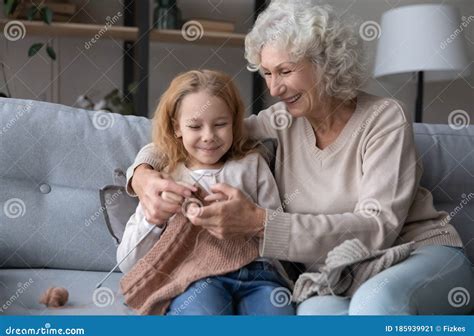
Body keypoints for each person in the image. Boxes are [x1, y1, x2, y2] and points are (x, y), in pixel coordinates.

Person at [125, 1, 474, 315]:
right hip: (340, 271)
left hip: (416, 254)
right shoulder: (282, 120)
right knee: (311, 317)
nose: (274, 89)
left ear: (326, 63)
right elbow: (198, 136)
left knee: (376, 304)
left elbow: (377, 228)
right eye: (266, 73)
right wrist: (142, 175)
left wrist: (259, 223)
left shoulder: (384, 119)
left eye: (285, 71)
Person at [117, 69, 295, 316]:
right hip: (196, 277)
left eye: (221, 124)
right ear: (176, 127)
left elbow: (279, 237)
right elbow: (128, 262)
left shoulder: (252, 165)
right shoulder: (166, 178)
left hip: (259, 277)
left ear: (234, 121)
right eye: (195, 126)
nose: (209, 136)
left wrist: (249, 218)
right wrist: (153, 220)